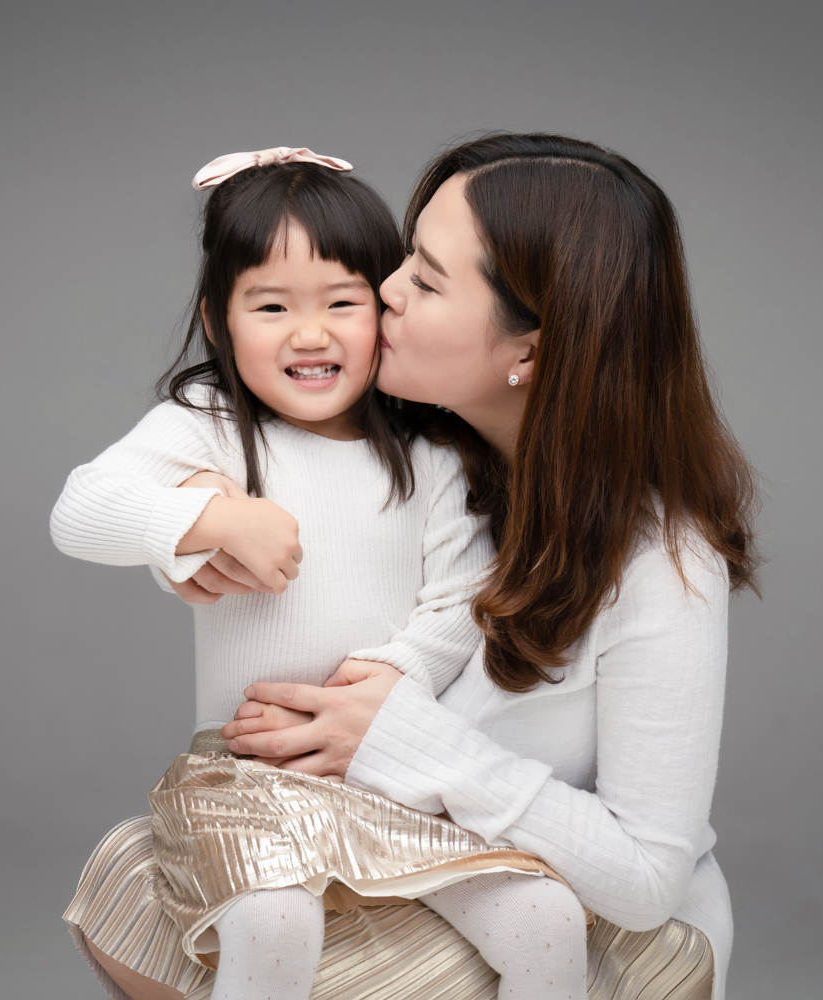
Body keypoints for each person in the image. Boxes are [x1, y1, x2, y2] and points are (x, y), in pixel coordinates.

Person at [214, 133, 761, 1000]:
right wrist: (195, 533)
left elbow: (648, 879)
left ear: (531, 352)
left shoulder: (662, 559)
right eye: (404, 258)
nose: (380, 290)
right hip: (412, 887)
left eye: (425, 280)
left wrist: (398, 741)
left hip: (599, 942)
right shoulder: (412, 459)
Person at [51, 147, 592, 1000]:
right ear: (216, 319)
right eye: (270, 306)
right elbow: (80, 510)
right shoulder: (210, 425)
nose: (310, 333)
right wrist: (209, 517)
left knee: (547, 918)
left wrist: (380, 690)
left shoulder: (429, 453)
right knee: (274, 921)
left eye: (343, 302)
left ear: (389, 310)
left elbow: (461, 603)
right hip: (247, 776)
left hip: (388, 773)